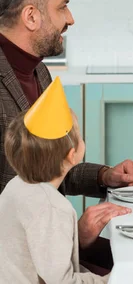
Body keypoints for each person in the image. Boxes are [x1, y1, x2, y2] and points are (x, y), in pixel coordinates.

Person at [0, 0, 133, 271]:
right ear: (32, 16)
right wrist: (72, 235)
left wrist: (104, 176)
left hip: (48, 243)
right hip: (19, 260)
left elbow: (43, 166)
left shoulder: (40, 72)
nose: (71, 19)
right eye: (63, 7)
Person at [0, 78, 107, 283]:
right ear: (72, 155)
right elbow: (62, 281)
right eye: (80, 136)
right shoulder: (52, 207)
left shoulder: (16, 187)